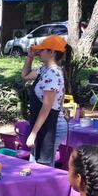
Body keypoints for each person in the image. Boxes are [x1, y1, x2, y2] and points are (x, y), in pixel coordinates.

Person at [21, 35, 68, 166]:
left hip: (52, 125)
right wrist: (29, 57)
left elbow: (46, 107)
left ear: (52, 52)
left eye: (42, 50)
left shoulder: (53, 74)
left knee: (43, 165)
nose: (38, 53)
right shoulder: (44, 69)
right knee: (36, 163)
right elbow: (25, 75)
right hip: (43, 123)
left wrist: (33, 134)